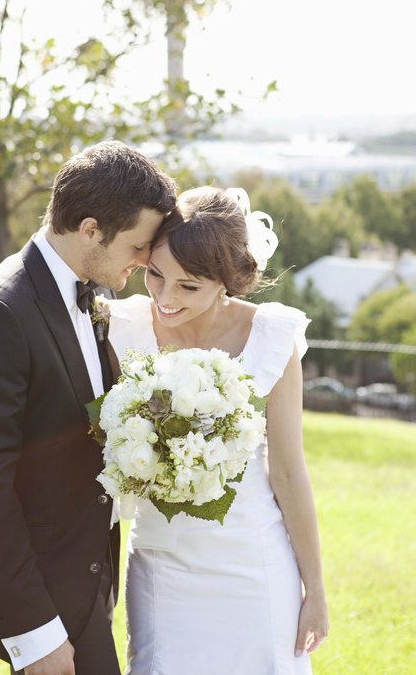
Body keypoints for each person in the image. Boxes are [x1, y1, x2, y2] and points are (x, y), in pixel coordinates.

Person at [0, 141, 176, 675]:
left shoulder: (89, 291)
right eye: (138, 246)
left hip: (90, 577)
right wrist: (34, 634)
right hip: (44, 601)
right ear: (90, 229)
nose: (144, 262)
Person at [108, 186, 329, 675]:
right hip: (162, 565)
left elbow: (289, 471)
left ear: (228, 281)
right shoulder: (121, 330)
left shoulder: (271, 339)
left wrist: (314, 589)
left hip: (253, 562)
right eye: (155, 275)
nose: (165, 298)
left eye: (189, 287)